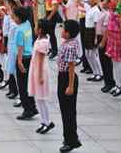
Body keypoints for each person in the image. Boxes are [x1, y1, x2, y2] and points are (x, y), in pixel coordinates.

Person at [58, 20, 82, 153]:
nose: (61, 31)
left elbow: (71, 66)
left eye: (63, 29)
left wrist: (70, 86)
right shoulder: (67, 43)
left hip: (67, 78)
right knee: (65, 110)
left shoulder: (70, 46)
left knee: (68, 111)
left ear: (68, 33)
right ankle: (68, 137)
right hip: (63, 76)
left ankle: (71, 140)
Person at [28, 19, 54, 134]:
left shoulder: (42, 42)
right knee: (38, 98)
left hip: (40, 71)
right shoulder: (40, 39)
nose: (34, 29)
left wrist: (39, 76)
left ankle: (47, 121)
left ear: (40, 30)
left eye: (36, 27)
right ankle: (44, 121)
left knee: (42, 98)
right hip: (36, 70)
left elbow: (40, 60)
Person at [13, 6, 38, 120]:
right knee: (28, 84)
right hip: (30, 57)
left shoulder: (19, 30)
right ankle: (32, 107)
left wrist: (19, 61)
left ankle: (27, 110)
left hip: (23, 58)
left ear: (18, 18)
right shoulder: (27, 24)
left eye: (14, 16)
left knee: (22, 86)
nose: (13, 17)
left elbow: (20, 47)